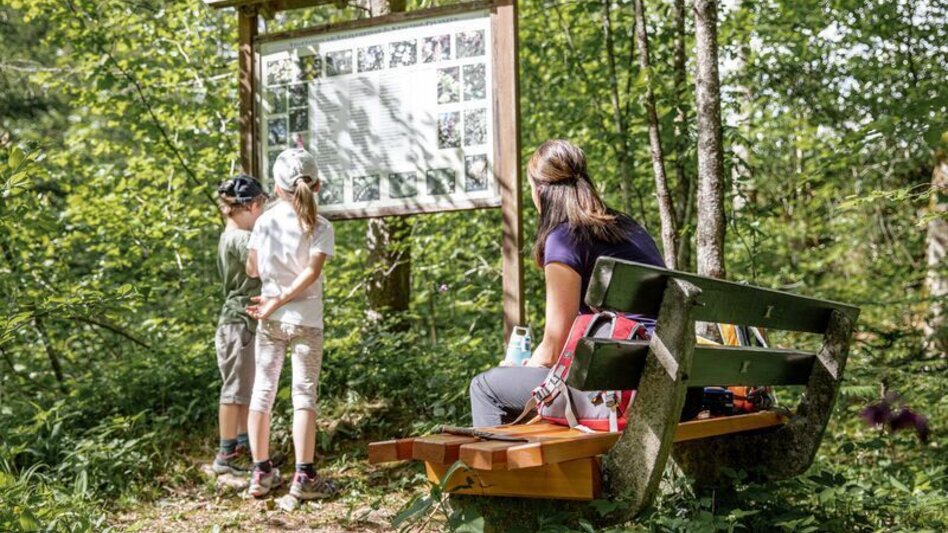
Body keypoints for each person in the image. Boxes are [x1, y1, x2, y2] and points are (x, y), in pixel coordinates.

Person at [469, 139, 698, 427]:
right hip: (675, 382)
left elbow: (552, 349)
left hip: (625, 391)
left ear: (540, 192)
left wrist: (522, 366)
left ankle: (499, 473)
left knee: (486, 387)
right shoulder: (628, 227)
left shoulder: (564, 237)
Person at [244, 148, 336, 499]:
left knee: (262, 392)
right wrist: (282, 299)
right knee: (303, 396)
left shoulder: (264, 221)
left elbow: (252, 269)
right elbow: (311, 274)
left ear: (278, 189)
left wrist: (273, 299)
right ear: (317, 184)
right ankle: (304, 477)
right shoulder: (321, 226)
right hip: (306, 321)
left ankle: (261, 473)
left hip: (269, 320)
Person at [210, 175, 267, 475]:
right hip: (238, 324)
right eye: (260, 206)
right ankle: (225, 456)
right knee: (233, 390)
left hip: (239, 323)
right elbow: (261, 267)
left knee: (245, 388)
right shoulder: (242, 239)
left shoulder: (227, 236)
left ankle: (242, 445)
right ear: (250, 206)